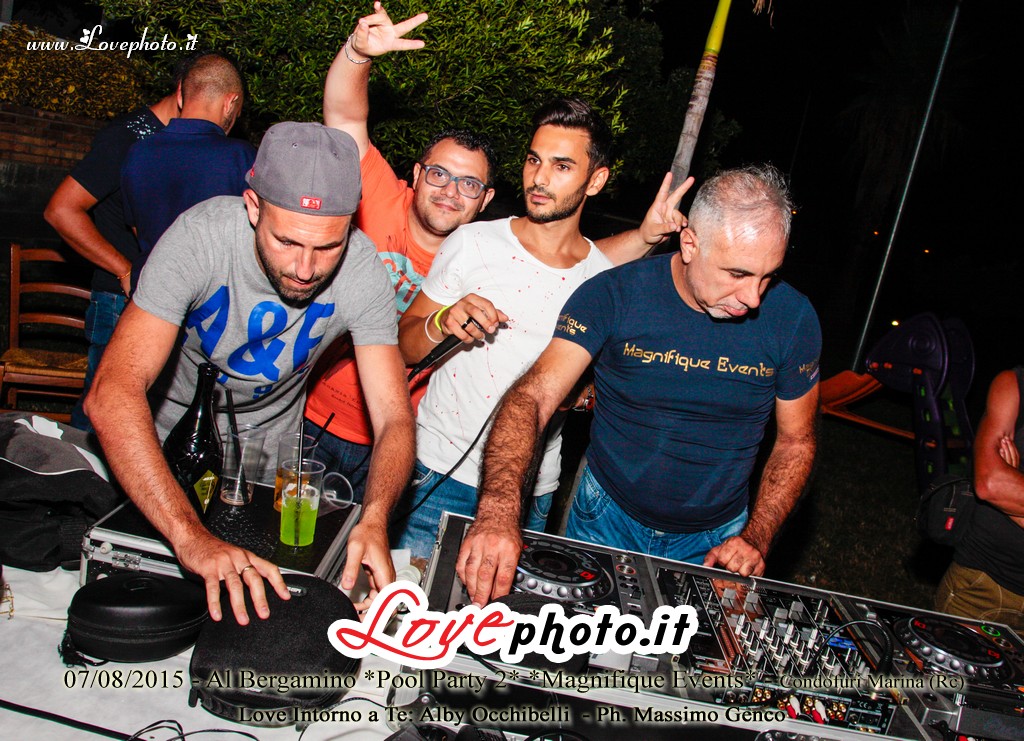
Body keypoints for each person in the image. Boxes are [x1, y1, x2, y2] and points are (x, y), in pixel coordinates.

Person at [305, 3, 687, 499]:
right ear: (416, 174)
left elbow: (580, 265)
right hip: (325, 418)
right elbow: (343, 117)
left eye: (468, 183)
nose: (450, 191)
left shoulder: (485, 247)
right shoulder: (388, 205)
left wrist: (647, 235)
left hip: (424, 444)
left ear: (486, 198)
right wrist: (358, 53)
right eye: (438, 174)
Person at [85, 122, 415, 624]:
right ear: (254, 207)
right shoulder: (200, 236)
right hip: (166, 453)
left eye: (328, 247)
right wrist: (190, 537)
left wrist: (374, 517)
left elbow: (394, 416)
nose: (305, 269)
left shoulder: (363, 269)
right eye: (287, 242)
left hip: (265, 466)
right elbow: (112, 393)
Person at [458, 165, 821, 606]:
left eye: (768, 276)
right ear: (690, 243)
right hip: (605, 520)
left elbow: (796, 442)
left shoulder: (792, 318)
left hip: (718, 542)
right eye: (738, 274)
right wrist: (497, 514)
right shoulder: (614, 294)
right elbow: (532, 396)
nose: (754, 297)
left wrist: (756, 536)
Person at [393, 96, 692, 561]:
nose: (539, 178)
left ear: (596, 181)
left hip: (531, 492)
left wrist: (586, 393)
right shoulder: (473, 242)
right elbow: (405, 345)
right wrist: (440, 322)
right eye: (534, 160)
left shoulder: (602, 281)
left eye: (561, 166)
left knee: (503, 610)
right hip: (437, 474)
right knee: (407, 602)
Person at [43, 86, 180, 431]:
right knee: (103, 414)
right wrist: (123, 269)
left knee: (135, 420)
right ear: (184, 93)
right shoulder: (126, 138)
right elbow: (61, 210)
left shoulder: (170, 142)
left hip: (156, 301)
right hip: (121, 300)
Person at [121, 51, 255, 277]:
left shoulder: (137, 152)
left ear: (180, 96)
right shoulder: (241, 157)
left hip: (150, 284)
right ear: (230, 103)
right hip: (211, 292)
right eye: (237, 112)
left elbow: (136, 226)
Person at [935, 368, 1024, 630]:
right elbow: (991, 483)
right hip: (983, 586)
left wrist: (1014, 488)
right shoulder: (1015, 385)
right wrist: (1004, 487)